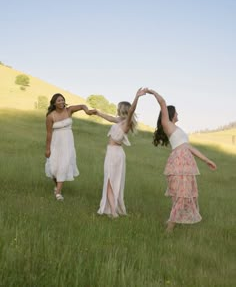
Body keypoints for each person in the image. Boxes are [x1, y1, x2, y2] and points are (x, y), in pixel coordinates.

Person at [147, 89, 217, 232]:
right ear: (171, 113)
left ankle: (170, 223)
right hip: (178, 162)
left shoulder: (178, 129)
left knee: (183, 194)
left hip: (187, 163)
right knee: (181, 195)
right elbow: (162, 103)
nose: (178, 114)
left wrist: (206, 160)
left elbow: (189, 147)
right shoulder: (167, 124)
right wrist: (152, 92)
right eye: (177, 112)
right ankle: (169, 228)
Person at [96, 88, 147, 218]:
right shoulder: (120, 121)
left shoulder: (127, 122)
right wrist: (97, 112)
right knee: (111, 180)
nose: (117, 110)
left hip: (114, 153)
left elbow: (132, 111)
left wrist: (137, 97)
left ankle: (113, 212)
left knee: (110, 181)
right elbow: (108, 117)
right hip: (114, 152)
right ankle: (113, 210)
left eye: (119, 108)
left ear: (122, 109)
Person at [45, 93, 96, 201]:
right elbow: (49, 133)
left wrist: (87, 111)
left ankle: (58, 193)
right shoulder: (50, 116)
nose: (62, 102)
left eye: (63, 100)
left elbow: (82, 106)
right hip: (56, 143)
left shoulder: (69, 110)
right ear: (54, 103)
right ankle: (56, 186)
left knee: (64, 165)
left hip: (68, 143)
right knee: (53, 168)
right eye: (59, 101)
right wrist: (47, 149)